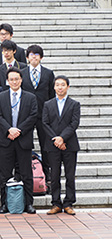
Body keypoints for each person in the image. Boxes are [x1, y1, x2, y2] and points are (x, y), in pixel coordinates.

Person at [0, 67, 37, 214]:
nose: (14, 81)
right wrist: (9, 130)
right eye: (11, 79)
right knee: (5, 174)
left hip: (23, 139)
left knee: (26, 173)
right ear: (7, 81)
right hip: (6, 140)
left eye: (16, 79)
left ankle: (28, 203)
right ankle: (5, 204)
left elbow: (33, 116)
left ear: (21, 80)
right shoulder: (0, 96)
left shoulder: (30, 97)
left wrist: (18, 130)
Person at [43, 76, 80, 216]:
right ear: (53, 87)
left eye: (62, 85)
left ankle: (69, 203)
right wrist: (56, 139)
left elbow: (74, 123)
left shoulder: (74, 104)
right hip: (53, 146)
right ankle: (56, 203)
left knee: (70, 175)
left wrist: (62, 138)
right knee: (54, 175)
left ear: (68, 87)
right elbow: (45, 123)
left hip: (70, 145)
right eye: (57, 85)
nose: (60, 87)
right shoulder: (48, 104)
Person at [21, 45, 55, 185]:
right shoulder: (21, 73)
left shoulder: (48, 73)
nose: (33, 56)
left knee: (45, 146)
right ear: (27, 57)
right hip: (27, 116)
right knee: (25, 146)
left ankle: (47, 176)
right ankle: (26, 176)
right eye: (31, 54)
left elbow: (52, 96)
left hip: (44, 116)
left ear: (41, 57)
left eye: (36, 54)